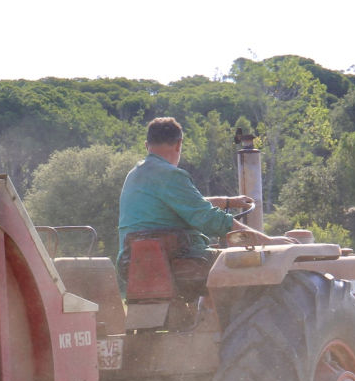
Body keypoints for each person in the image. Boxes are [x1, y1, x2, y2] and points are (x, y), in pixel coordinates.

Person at [117, 117, 287, 289]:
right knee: (244, 264)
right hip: (173, 263)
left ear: (147, 146)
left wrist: (226, 202)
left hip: (131, 263)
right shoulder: (171, 175)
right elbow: (209, 219)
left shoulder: (134, 175)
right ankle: (223, 315)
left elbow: (180, 206)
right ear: (179, 144)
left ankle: (201, 314)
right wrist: (267, 241)